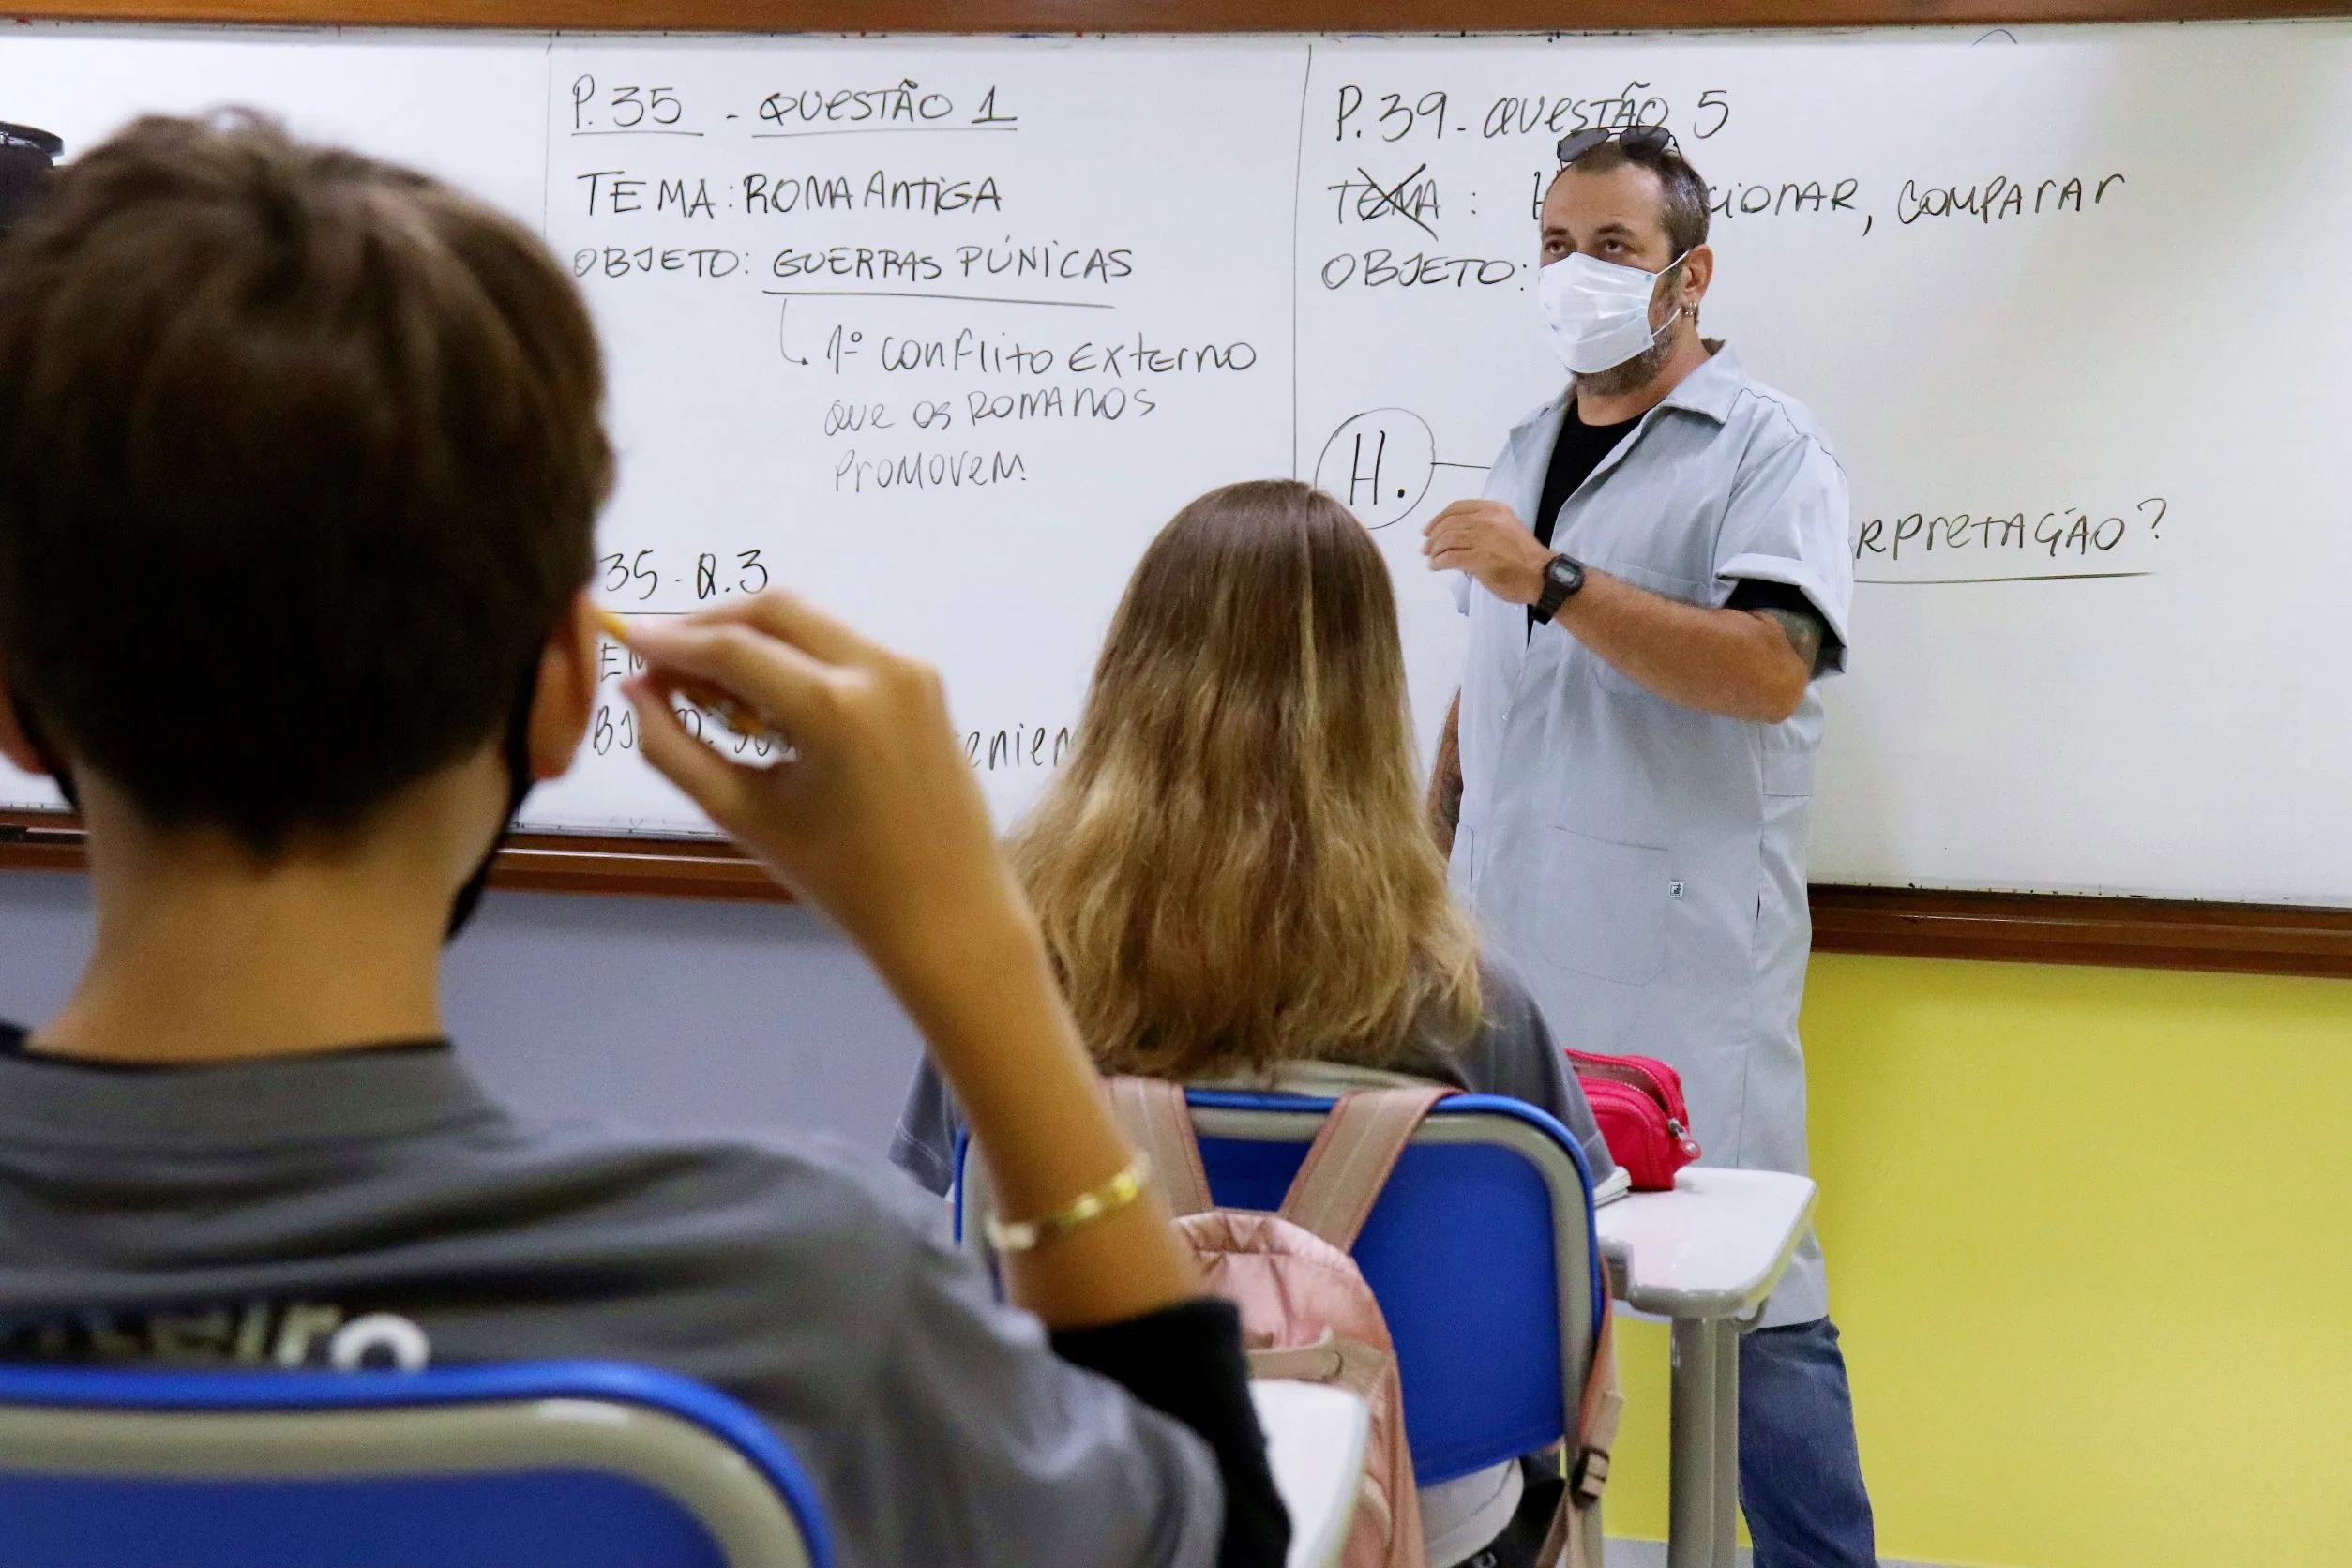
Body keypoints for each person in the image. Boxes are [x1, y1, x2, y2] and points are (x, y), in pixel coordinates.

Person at [0, 112, 1286, 1568]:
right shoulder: (795, 1303)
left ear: (15, 700)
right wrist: (979, 950)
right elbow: (1212, 1538)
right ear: (561, 695)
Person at [893, 478, 1621, 1568]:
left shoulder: (1014, 973)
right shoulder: (1470, 997)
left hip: (1110, 1508)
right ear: (1377, 700)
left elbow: (938, 1239)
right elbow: (1574, 1270)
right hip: (1425, 1518)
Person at [1420, 127, 1874, 1567]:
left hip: (1682, 964)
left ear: (1690, 275)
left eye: (1610, 248)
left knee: (1754, 1310)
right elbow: (1493, 678)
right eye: (1555, 245)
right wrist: (1423, 852)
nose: (1575, 275)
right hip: (1502, 949)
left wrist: (1549, 576)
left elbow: (1767, 669)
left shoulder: (1766, 449)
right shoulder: (1524, 441)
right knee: (1510, 1278)